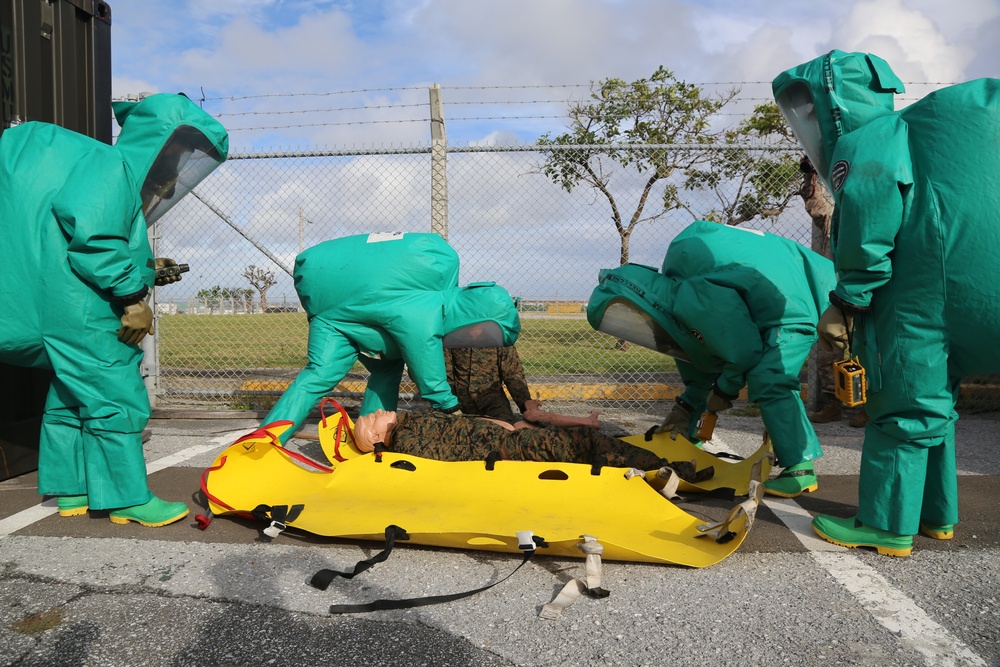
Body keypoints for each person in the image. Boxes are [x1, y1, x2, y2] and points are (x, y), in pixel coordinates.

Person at [773, 50, 1000, 556]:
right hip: (972, 293)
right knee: (935, 407)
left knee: (902, 404)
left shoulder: (867, 141)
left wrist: (847, 301)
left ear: (831, 103)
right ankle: (936, 516)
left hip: (918, 298)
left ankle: (886, 525)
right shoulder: (922, 134)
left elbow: (870, 231)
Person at [0, 94, 229, 527]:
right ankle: (126, 498)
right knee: (117, 394)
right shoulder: (112, 165)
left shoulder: (96, 163)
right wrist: (129, 297)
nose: (177, 164)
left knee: (72, 394)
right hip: (84, 305)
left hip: (56, 301)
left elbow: (88, 234)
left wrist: (145, 270)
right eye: (177, 149)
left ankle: (72, 490)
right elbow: (95, 238)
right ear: (156, 140)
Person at [586, 220, 835, 498]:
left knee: (769, 378)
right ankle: (693, 440)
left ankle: (800, 469)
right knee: (762, 374)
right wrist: (685, 412)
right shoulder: (683, 278)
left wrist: (723, 391)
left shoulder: (691, 295)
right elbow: (701, 364)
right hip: (796, 290)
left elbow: (743, 351)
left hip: (792, 305)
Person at [261, 232, 521, 444]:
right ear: (475, 314)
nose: (476, 338)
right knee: (335, 374)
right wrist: (450, 407)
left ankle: (269, 437)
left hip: (333, 315)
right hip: (341, 313)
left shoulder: (430, 298)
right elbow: (426, 366)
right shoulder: (428, 308)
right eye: (481, 331)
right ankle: (365, 436)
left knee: (329, 374)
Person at [349, 409, 711, 483]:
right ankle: (672, 474)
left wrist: (500, 424)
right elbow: (452, 456)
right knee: (586, 444)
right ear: (379, 437)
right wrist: (499, 449)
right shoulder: (408, 439)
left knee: (590, 443)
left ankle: (666, 470)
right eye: (373, 419)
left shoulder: (413, 421)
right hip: (509, 451)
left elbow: (462, 424)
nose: (379, 411)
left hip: (508, 438)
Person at [444, 344, 601, 428]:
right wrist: (449, 405)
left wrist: (525, 403)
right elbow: (446, 376)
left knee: (508, 428)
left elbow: (512, 375)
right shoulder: (452, 339)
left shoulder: (498, 338)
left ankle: (584, 423)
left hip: (492, 400)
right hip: (459, 399)